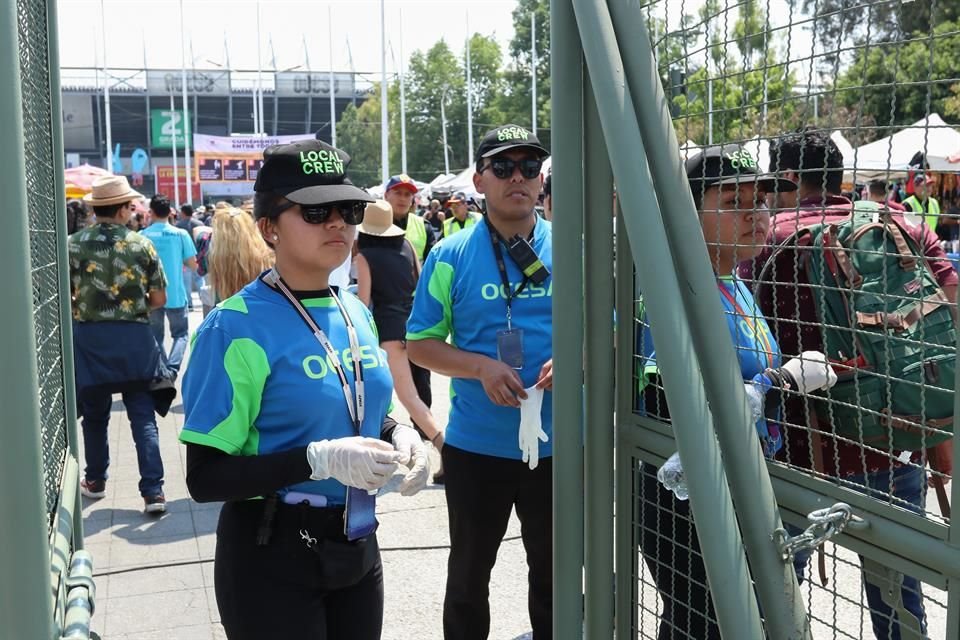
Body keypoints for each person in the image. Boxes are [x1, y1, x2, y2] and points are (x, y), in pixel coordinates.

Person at [180, 139, 429, 640]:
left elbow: (355, 408)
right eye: (316, 211)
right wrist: (316, 460)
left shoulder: (353, 310)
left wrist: (399, 433)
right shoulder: (234, 327)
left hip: (357, 540)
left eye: (349, 208)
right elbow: (204, 480)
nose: (337, 222)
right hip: (271, 553)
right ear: (269, 227)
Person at [742, 128, 957, 640]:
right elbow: (946, 320)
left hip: (803, 448)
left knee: (777, 587)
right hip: (896, 435)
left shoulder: (766, 239)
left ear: (788, 177)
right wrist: (939, 429)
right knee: (899, 592)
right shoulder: (902, 226)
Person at [637, 145, 836, 640]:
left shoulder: (733, 280)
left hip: (742, 485)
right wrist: (782, 381)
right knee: (701, 623)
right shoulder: (673, 291)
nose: (756, 214)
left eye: (762, 200)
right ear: (686, 212)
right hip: (689, 501)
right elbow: (672, 402)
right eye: (733, 201)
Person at [407, 124, 554, 639]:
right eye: (503, 166)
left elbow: (610, 329)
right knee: (469, 575)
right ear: (479, 180)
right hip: (477, 448)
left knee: (556, 578)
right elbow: (420, 344)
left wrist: (577, 359)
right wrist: (480, 367)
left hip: (558, 447)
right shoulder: (450, 255)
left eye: (530, 167)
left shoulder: (575, 249)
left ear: (541, 180)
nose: (518, 177)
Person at [69, 176, 170, 514]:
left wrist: (85, 307)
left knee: (95, 416)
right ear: (125, 209)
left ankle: (95, 481)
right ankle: (153, 492)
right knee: (142, 417)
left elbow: (64, 297)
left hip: (91, 339)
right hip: (134, 340)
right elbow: (158, 298)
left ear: (96, 208)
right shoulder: (141, 245)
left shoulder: (74, 244)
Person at [354, 199, 446, 454]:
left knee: (408, 398)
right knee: (414, 395)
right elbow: (420, 284)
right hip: (413, 325)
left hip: (388, 331)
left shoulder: (364, 257)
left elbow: (363, 303)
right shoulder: (407, 246)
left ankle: (447, 449)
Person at [141, 194, 198, 374]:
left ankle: (164, 369)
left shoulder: (142, 236)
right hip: (176, 295)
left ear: (151, 212)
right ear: (170, 212)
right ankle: (173, 368)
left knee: (155, 336)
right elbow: (193, 264)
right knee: (181, 335)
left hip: (151, 296)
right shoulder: (180, 235)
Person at [206, 207, 274, 302]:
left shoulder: (214, 259)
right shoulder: (266, 255)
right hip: (262, 307)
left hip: (228, 309)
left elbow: (200, 270)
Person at [384, 174, 437, 263]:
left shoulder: (424, 227)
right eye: (398, 193)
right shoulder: (372, 225)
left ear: (412, 198)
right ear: (386, 195)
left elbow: (432, 263)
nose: (402, 199)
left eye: (407, 194)